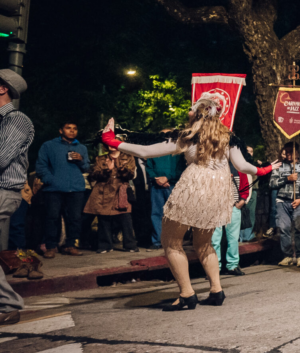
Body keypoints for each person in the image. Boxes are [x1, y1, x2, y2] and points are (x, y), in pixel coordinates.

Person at [100, 95, 278, 310]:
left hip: (194, 186)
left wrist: (111, 140)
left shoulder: (189, 136)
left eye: (191, 110)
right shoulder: (228, 137)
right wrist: (265, 169)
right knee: (204, 243)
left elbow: (146, 150)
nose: (188, 113)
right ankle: (216, 290)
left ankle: (186, 294)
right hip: (218, 191)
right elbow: (243, 166)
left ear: (197, 113)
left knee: (171, 242)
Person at [0, 69, 32, 326]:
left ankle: (8, 305)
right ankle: (8, 305)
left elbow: (1, 157)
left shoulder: (16, 119)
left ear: (3, 88)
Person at [35, 121, 90, 257]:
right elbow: (41, 166)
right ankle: (50, 247)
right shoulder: (49, 146)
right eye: (68, 128)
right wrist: (51, 180)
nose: (72, 131)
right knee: (52, 217)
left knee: (75, 218)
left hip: (76, 188)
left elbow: (86, 167)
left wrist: (81, 160)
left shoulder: (81, 148)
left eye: (75, 128)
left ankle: (70, 245)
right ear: (61, 130)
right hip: (54, 189)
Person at [83, 147, 139, 253]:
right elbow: (94, 174)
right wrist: (107, 170)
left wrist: (118, 167)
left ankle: (130, 245)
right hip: (103, 190)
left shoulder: (128, 157)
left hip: (120, 190)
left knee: (125, 217)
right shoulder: (100, 158)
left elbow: (130, 174)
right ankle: (105, 245)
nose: (111, 145)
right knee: (103, 218)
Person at [270, 142, 300, 267]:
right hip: (282, 201)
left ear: (297, 152)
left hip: (299, 201)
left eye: (291, 151)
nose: (288, 154)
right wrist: (287, 179)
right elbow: (272, 183)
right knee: (284, 228)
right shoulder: (279, 166)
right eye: (287, 151)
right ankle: (287, 255)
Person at [144, 145, 184, 251]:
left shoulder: (177, 152)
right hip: (156, 186)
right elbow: (149, 167)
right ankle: (157, 241)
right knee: (156, 213)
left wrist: (168, 178)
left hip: (173, 186)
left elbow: (180, 168)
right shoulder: (154, 152)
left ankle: (174, 241)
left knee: (174, 214)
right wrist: (156, 179)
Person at [211, 168, 250, 276]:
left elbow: (245, 186)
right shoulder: (213, 166)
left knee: (233, 238)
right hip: (216, 207)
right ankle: (215, 267)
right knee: (215, 239)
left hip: (233, 206)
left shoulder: (238, 168)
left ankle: (232, 265)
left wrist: (241, 201)